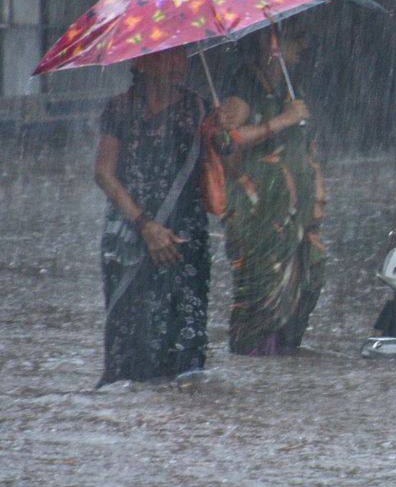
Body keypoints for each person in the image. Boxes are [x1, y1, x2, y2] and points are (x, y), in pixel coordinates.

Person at [93, 48, 214, 386]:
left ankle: (178, 427)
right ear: (140, 62)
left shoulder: (201, 109)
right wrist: (145, 225)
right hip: (129, 239)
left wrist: (226, 138)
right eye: (166, 57)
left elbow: (222, 177)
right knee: (129, 335)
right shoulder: (120, 108)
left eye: (182, 56)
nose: (177, 65)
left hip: (183, 241)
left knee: (183, 344)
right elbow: (103, 173)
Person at [219, 26, 326, 355]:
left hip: (297, 216)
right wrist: (282, 120)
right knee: (262, 300)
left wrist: (318, 194)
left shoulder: (293, 88)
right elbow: (230, 139)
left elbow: (307, 146)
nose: (303, 43)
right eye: (295, 36)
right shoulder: (243, 86)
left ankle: (285, 364)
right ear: (271, 42)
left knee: (310, 277)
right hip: (260, 218)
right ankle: (257, 365)